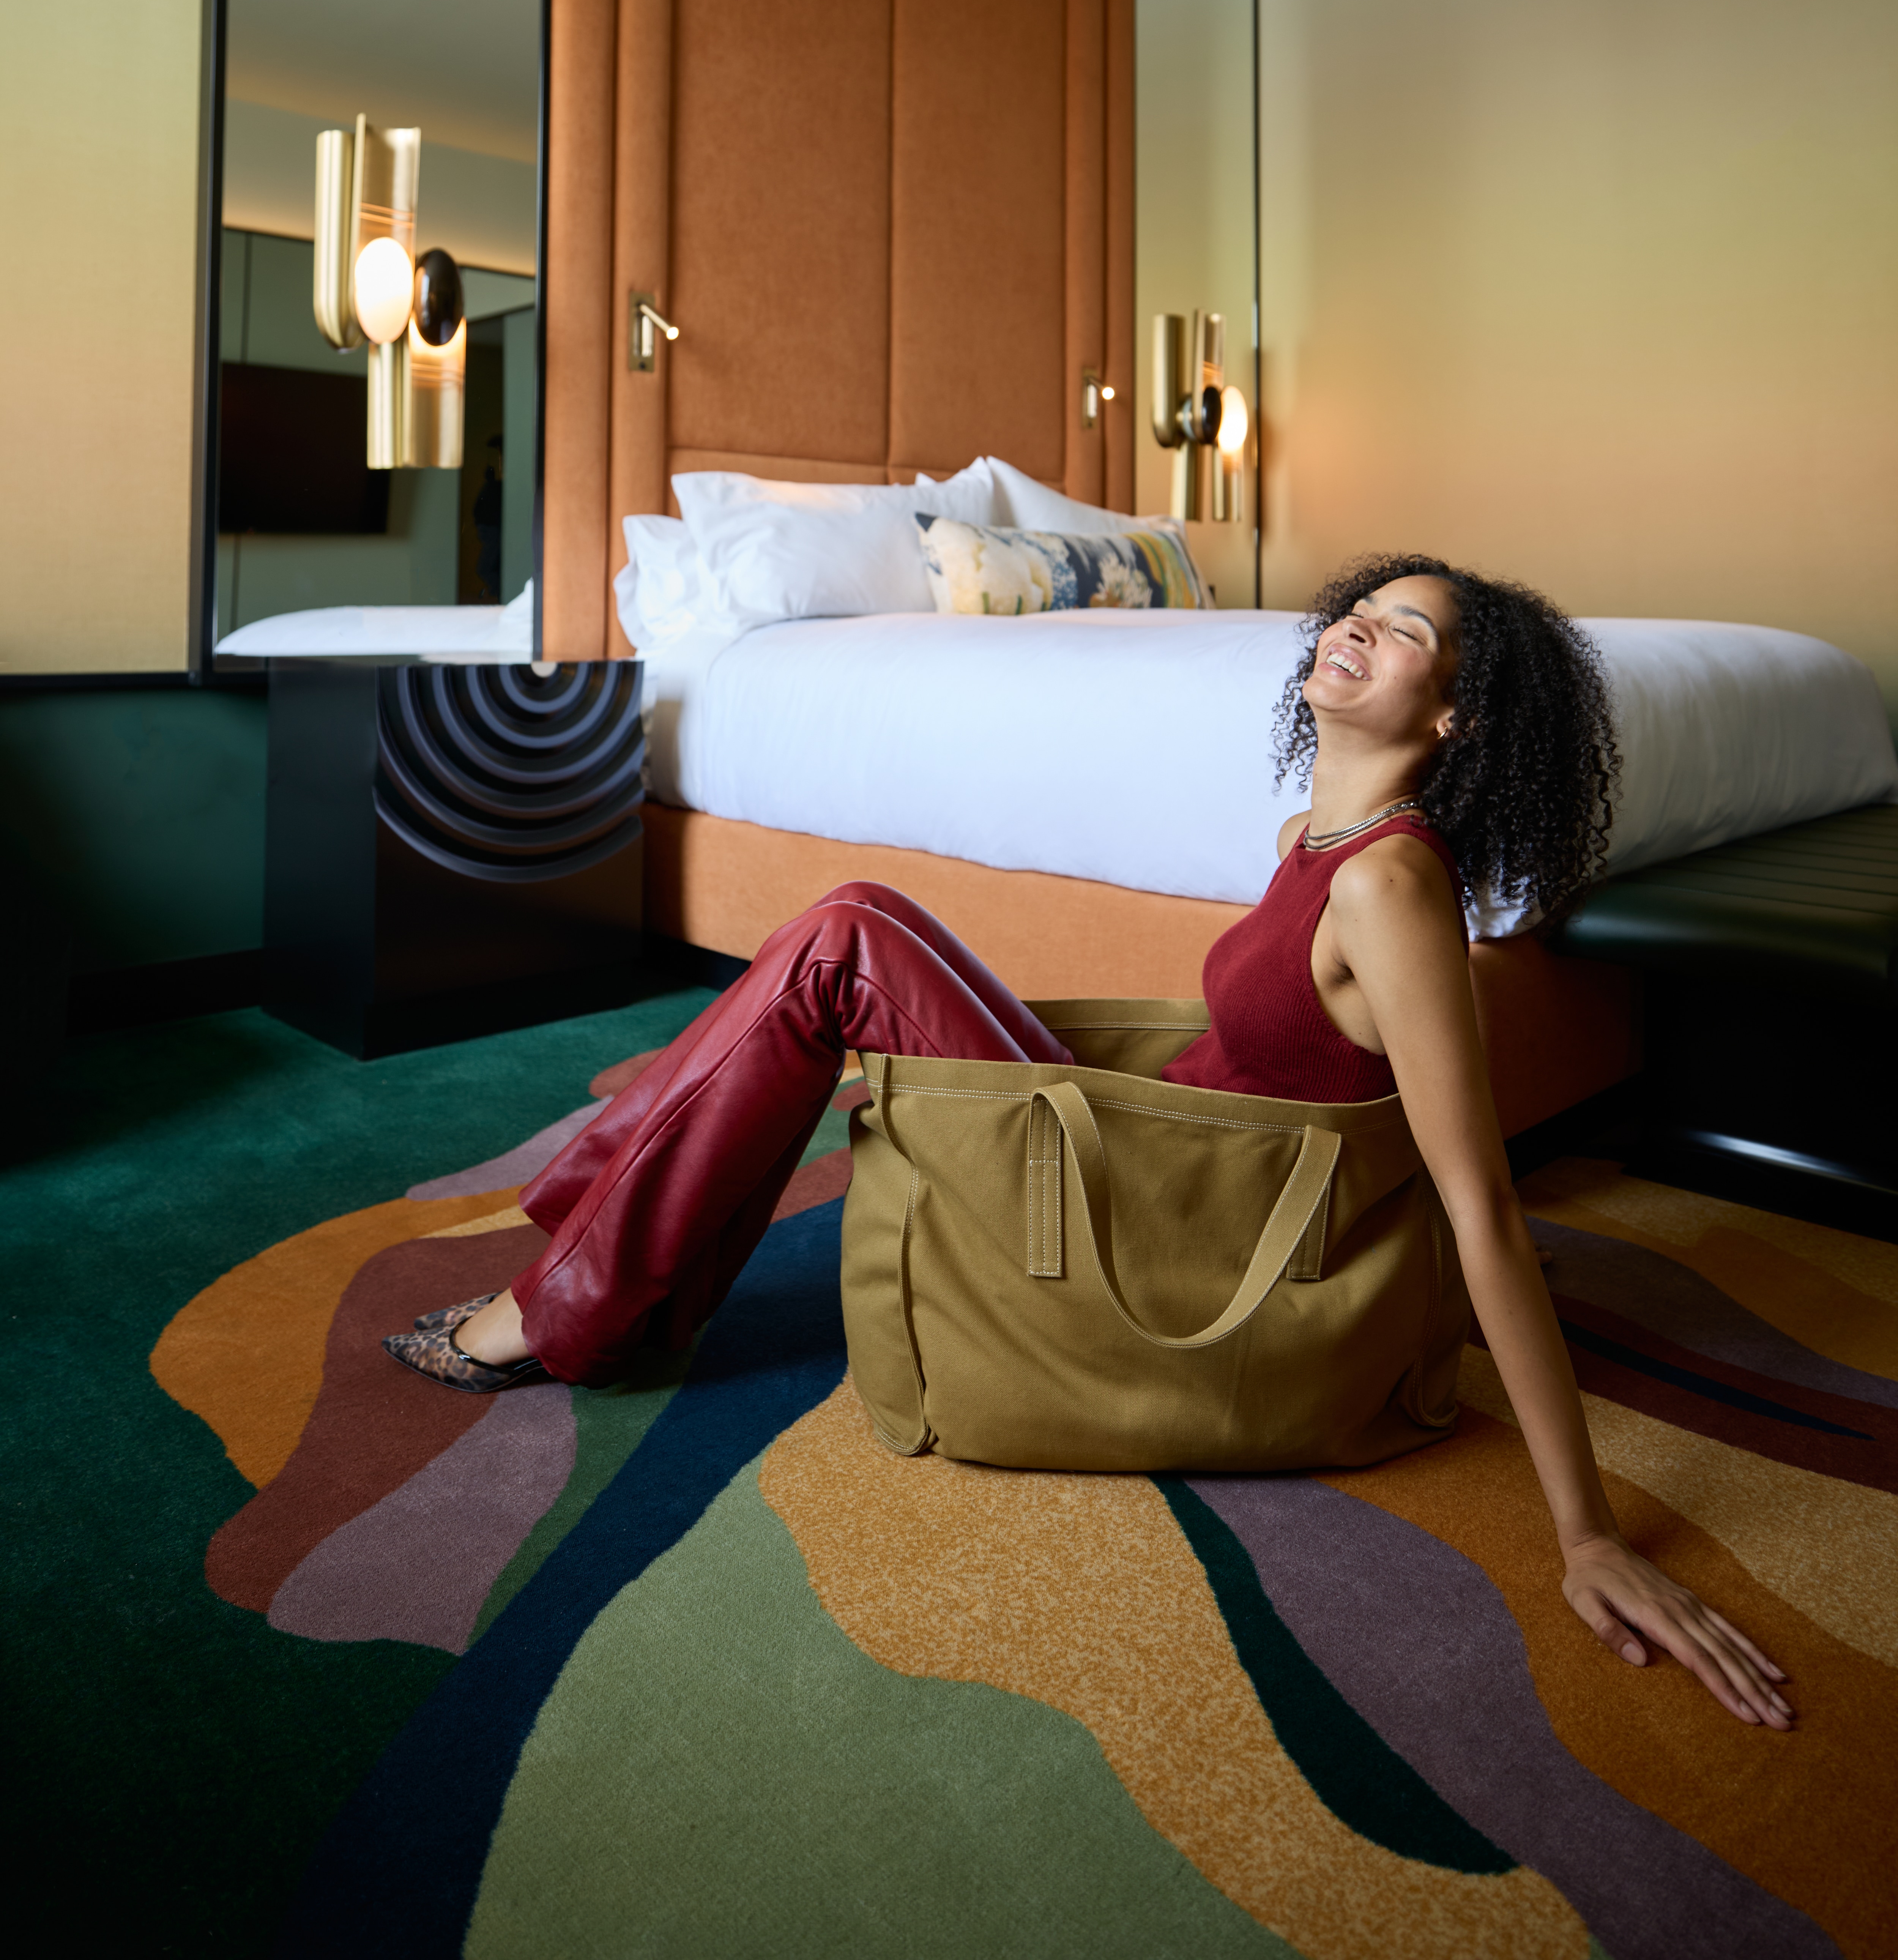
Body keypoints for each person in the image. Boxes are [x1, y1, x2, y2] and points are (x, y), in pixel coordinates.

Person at [385, 552, 1792, 1730]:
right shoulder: (1322, 834)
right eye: (1365, 603)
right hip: (1148, 1137)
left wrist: (1589, 1531)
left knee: (841, 938)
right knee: (851, 930)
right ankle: (585, 1262)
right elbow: (1270, 1044)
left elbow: (1479, 1200)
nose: (1358, 623)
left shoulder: (1394, 888)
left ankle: (566, 1300)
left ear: (1460, 717)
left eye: (1408, 628)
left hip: (1168, 1210)